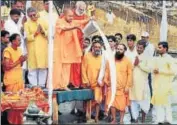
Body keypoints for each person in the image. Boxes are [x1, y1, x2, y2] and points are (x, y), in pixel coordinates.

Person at [52, 8, 90, 91]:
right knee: (57, 68)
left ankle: (64, 85)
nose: (71, 18)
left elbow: (81, 22)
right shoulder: (59, 21)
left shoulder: (73, 22)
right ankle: (55, 86)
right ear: (64, 15)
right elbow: (63, 28)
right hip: (59, 49)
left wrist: (90, 19)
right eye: (69, 16)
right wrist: (73, 27)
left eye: (72, 16)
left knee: (66, 68)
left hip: (69, 50)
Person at [104, 43, 133, 124]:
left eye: (121, 49)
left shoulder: (128, 61)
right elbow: (106, 71)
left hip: (122, 87)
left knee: (122, 106)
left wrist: (127, 86)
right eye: (118, 49)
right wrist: (106, 80)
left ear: (124, 51)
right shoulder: (111, 59)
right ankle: (114, 119)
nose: (119, 50)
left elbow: (130, 74)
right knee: (112, 104)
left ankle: (121, 120)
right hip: (112, 87)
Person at [151, 42, 175, 124]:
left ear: (165, 48)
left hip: (166, 85)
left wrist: (160, 71)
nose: (158, 49)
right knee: (158, 104)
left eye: (160, 47)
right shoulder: (157, 58)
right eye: (158, 47)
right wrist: (154, 71)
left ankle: (168, 120)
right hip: (157, 84)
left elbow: (174, 71)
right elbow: (154, 70)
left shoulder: (169, 58)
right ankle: (160, 120)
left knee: (166, 104)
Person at [24, 7, 48, 89]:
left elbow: (49, 32)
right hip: (32, 48)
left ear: (37, 13)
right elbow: (27, 37)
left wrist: (43, 31)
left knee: (43, 67)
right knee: (32, 68)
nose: (33, 17)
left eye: (34, 15)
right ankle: (33, 85)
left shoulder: (42, 21)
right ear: (28, 16)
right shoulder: (26, 24)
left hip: (42, 48)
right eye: (30, 16)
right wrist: (36, 33)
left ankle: (41, 85)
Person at [70, 1, 90, 88]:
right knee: (69, 64)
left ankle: (77, 83)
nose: (82, 11)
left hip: (80, 43)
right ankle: (68, 82)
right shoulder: (69, 14)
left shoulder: (86, 16)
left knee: (78, 64)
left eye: (83, 9)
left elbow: (89, 28)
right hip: (69, 42)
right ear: (76, 7)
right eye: (80, 9)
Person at [129, 40, 151, 123]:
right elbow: (129, 69)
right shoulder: (132, 56)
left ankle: (143, 120)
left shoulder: (147, 57)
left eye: (140, 48)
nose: (138, 49)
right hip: (133, 84)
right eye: (137, 47)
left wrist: (139, 64)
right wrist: (134, 65)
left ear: (144, 48)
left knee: (143, 102)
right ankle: (136, 120)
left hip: (143, 84)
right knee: (134, 102)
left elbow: (149, 70)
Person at [82, 41, 103, 123]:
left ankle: (96, 117)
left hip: (98, 83)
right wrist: (86, 81)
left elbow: (104, 71)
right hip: (88, 83)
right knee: (87, 100)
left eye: (99, 47)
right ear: (92, 48)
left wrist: (101, 81)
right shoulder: (87, 56)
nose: (97, 48)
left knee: (97, 100)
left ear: (101, 48)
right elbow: (83, 69)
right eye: (95, 47)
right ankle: (87, 116)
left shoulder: (102, 58)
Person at [4, 9, 27, 80]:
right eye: (15, 16)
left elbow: (22, 34)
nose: (17, 18)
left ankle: (21, 82)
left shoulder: (19, 23)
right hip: (12, 48)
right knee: (13, 65)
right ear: (11, 16)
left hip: (20, 48)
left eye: (18, 17)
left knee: (21, 65)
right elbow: (11, 36)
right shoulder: (7, 23)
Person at [97, 35, 116, 117]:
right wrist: (100, 78)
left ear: (115, 43)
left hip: (116, 77)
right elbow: (103, 66)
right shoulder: (105, 53)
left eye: (111, 41)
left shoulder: (118, 52)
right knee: (107, 96)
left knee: (115, 95)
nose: (109, 43)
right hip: (107, 78)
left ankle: (113, 115)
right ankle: (107, 113)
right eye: (108, 41)